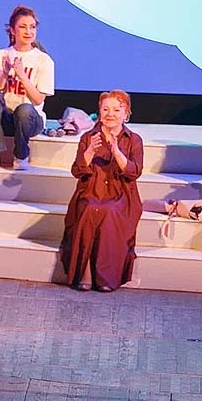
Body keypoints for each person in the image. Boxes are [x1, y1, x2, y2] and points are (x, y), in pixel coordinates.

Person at [60, 90, 143, 292]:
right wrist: (90, 151)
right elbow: (77, 171)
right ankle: (86, 272)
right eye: (105, 109)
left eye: (116, 110)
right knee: (90, 209)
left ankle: (106, 276)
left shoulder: (133, 140)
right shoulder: (88, 137)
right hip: (91, 191)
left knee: (110, 211)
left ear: (126, 113)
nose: (110, 114)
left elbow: (134, 172)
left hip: (121, 195)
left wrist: (117, 152)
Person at [0, 5, 55, 173]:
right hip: (6, 118)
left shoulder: (44, 60)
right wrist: (4, 74)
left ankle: (21, 155)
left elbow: (38, 100)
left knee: (24, 110)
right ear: (12, 30)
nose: (28, 31)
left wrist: (22, 76)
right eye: (22, 27)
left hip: (30, 120)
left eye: (32, 27)